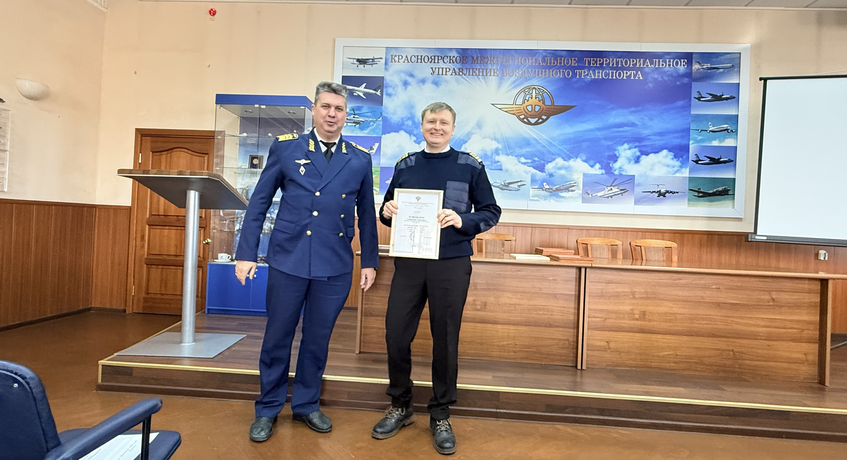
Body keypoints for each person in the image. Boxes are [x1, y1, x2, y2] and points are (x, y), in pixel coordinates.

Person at [235, 81, 379, 442]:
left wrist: (369, 261)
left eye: (339, 109)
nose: (332, 114)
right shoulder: (287, 149)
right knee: (277, 336)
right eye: (326, 107)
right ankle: (268, 408)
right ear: (314, 110)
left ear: (346, 115)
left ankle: (306, 404)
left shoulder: (359, 158)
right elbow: (259, 202)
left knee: (317, 339)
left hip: (334, 261)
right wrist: (246, 253)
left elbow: (366, 213)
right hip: (290, 257)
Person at [371, 102, 501, 455]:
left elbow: (491, 211)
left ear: (453, 129)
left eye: (444, 122)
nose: (437, 127)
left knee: (445, 338)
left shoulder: (470, 165)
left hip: (451, 263)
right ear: (422, 126)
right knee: (396, 334)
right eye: (431, 121)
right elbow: (387, 211)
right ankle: (400, 405)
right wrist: (387, 210)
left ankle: (441, 414)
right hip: (410, 262)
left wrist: (463, 220)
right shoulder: (406, 165)